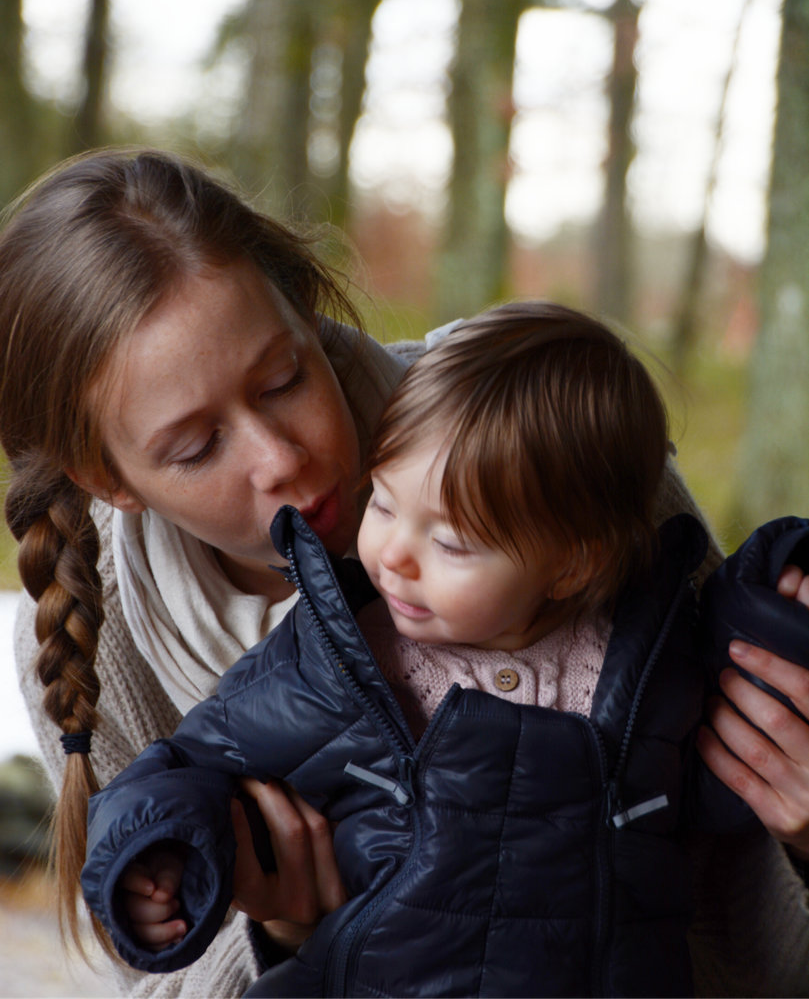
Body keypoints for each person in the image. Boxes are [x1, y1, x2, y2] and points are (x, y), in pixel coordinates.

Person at [0, 147, 806, 999]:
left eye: (283, 380)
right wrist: (283, 933)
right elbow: (152, 967)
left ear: (309, 316)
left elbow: (735, 905)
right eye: (197, 448)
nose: (281, 458)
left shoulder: (548, 438)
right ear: (110, 482)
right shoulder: (95, 629)